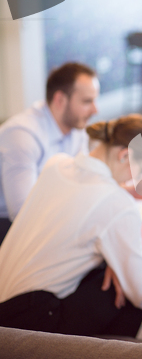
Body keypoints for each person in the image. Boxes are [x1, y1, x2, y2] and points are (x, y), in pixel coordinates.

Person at [0, 114, 142, 337]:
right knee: (127, 295)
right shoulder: (118, 204)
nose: (135, 180)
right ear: (124, 155)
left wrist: (111, 260)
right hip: (28, 320)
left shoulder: (57, 164)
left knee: (114, 274)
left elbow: (79, 220)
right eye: (141, 171)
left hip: (4, 302)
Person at [0, 62, 99, 244]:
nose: (95, 110)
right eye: (87, 101)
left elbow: (82, 180)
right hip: (8, 223)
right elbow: (22, 213)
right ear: (60, 100)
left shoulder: (76, 129)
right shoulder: (22, 135)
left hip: (48, 210)